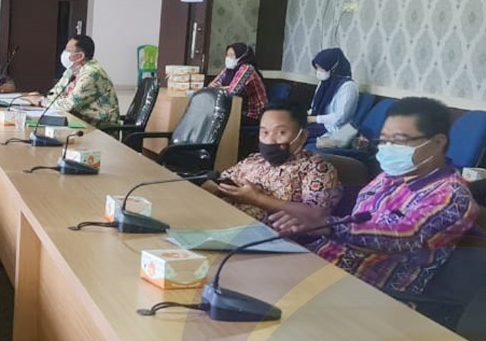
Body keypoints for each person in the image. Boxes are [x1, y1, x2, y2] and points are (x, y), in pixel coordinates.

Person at [270, 97, 478, 296]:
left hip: (367, 290)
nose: (388, 148)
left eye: (399, 141)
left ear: (437, 142)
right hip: (324, 263)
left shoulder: (451, 196)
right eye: (384, 140)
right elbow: (358, 218)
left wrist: (327, 225)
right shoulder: (389, 176)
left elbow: (405, 235)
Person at [203, 102, 339, 223]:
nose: (270, 140)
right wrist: (215, 187)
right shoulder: (254, 160)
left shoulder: (316, 168)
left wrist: (257, 199)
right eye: (265, 132)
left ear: (302, 136)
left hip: (266, 236)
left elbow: (317, 215)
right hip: (221, 221)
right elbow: (224, 180)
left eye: (281, 133)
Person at [35, 35, 120, 128]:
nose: (64, 53)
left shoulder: (92, 73)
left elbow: (68, 105)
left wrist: (40, 101)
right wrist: (41, 99)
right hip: (78, 122)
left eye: (68, 50)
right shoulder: (73, 69)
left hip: (99, 128)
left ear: (80, 56)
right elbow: (55, 93)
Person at [307, 47, 360, 142]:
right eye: (317, 68)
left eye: (321, 68)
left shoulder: (348, 87)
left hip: (335, 129)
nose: (318, 71)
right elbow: (315, 107)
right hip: (320, 124)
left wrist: (314, 119)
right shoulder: (324, 83)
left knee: (297, 133)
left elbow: (340, 118)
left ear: (333, 67)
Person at [208, 42, 267, 122]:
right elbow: (211, 86)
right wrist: (216, 87)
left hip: (252, 114)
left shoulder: (247, 68)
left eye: (232, 55)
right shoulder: (229, 69)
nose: (228, 58)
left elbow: (233, 92)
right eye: (227, 55)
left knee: (217, 119)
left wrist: (219, 88)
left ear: (241, 56)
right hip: (236, 109)